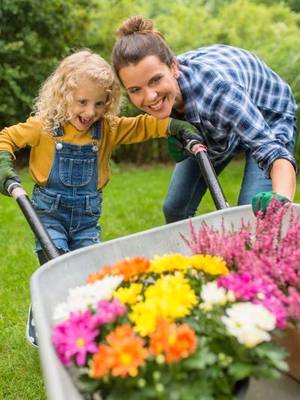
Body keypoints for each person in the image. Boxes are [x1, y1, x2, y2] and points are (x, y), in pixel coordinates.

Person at [0, 49, 200, 347]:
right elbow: (7, 137)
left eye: (98, 103)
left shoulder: (106, 129)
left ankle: (83, 329)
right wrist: (4, 166)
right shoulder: (43, 126)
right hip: (48, 214)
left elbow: (145, 126)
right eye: (81, 102)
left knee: (87, 277)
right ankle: (43, 310)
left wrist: (176, 126)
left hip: (86, 220)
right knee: (57, 266)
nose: (90, 111)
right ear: (62, 94)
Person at [111, 15, 297, 222]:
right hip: (218, 119)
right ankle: (196, 256)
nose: (149, 97)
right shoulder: (163, 90)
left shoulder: (219, 93)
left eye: (155, 80)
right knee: (175, 209)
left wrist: (280, 198)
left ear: (174, 68)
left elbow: (273, 151)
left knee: (252, 216)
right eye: (135, 90)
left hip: (267, 111)